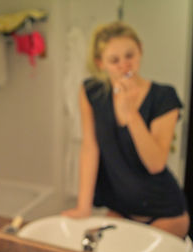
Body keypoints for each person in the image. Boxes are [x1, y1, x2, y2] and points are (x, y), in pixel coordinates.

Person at [62, 21, 189, 238]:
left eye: (129, 55)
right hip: (120, 207)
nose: (124, 65)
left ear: (140, 50)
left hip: (164, 210)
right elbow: (90, 148)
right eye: (114, 60)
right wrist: (83, 207)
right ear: (100, 63)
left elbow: (156, 163)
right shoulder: (91, 92)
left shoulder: (164, 97)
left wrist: (131, 112)